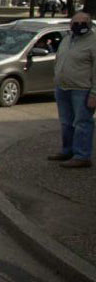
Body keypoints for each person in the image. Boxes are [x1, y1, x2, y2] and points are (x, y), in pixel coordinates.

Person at [49, 11, 96, 169]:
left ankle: (82, 156)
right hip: (62, 88)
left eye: (83, 23)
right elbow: (58, 60)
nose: (78, 26)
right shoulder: (67, 39)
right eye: (75, 23)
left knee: (82, 123)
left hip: (82, 90)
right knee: (66, 123)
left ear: (89, 24)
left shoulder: (93, 41)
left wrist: (94, 94)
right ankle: (67, 150)